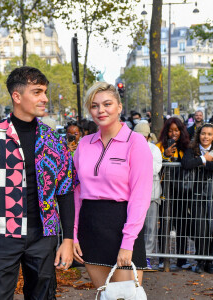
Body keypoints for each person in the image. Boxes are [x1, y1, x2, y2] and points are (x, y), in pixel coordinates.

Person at [0, 66, 75, 300]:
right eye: (38, 92)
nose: (45, 98)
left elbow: (65, 192)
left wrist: (68, 239)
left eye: (45, 92)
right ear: (17, 96)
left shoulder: (54, 141)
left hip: (44, 235)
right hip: (2, 235)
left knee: (43, 296)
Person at [73, 82, 153, 288]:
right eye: (94, 105)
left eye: (107, 104)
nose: (101, 110)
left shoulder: (136, 143)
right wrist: (72, 234)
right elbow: (76, 192)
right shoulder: (84, 144)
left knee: (125, 295)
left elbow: (140, 196)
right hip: (90, 226)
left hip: (123, 225)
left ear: (119, 107)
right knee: (103, 294)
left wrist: (128, 243)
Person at [181, 123, 213, 274]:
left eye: (209, 134)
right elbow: (186, 163)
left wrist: (205, 164)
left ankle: (210, 261)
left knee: (212, 229)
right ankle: (200, 261)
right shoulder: (192, 150)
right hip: (197, 196)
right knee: (200, 228)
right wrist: (203, 159)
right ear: (199, 135)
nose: (206, 137)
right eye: (203, 133)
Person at [156, 117, 191, 269]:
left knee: (181, 226)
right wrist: (166, 156)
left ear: (181, 131)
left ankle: (182, 260)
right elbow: (155, 166)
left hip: (181, 194)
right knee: (164, 225)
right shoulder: (159, 147)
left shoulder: (186, 148)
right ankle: (164, 259)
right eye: (170, 130)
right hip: (164, 193)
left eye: (176, 130)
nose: (173, 133)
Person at [134, 122, 162, 270]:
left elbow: (155, 169)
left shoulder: (154, 149)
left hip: (151, 194)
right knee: (135, 227)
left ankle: (147, 257)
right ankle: (136, 257)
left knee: (151, 228)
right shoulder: (129, 147)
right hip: (133, 196)